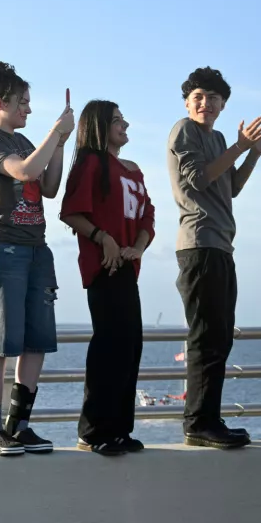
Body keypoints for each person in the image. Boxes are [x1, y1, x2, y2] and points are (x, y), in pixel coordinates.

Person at [167, 67, 261, 449]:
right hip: (199, 243)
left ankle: (210, 418)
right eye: (199, 96)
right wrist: (239, 147)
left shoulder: (217, 138)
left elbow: (230, 184)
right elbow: (198, 179)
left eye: (214, 98)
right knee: (205, 337)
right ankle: (198, 422)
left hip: (220, 245)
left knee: (219, 337)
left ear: (223, 105)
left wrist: (253, 153)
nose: (206, 103)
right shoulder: (184, 130)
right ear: (188, 101)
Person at [0, 62, 74, 456]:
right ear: (1, 102)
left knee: (36, 341)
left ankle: (20, 425)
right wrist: (54, 133)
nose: (28, 110)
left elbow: (48, 186)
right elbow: (27, 172)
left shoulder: (27, 140)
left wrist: (60, 143)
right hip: (0, 248)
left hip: (36, 248)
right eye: (23, 103)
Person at [60, 101, 155, 455]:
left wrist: (139, 247)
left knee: (130, 346)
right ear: (100, 126)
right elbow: (71, 212)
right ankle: (93, 430)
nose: (125, 124)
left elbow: (148, 216)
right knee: (109, 346)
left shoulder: (134, 170)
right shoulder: (92, 163)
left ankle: (119, 428)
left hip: (128, 268)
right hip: (104, 268)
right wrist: (105, 238)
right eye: (117, 120)